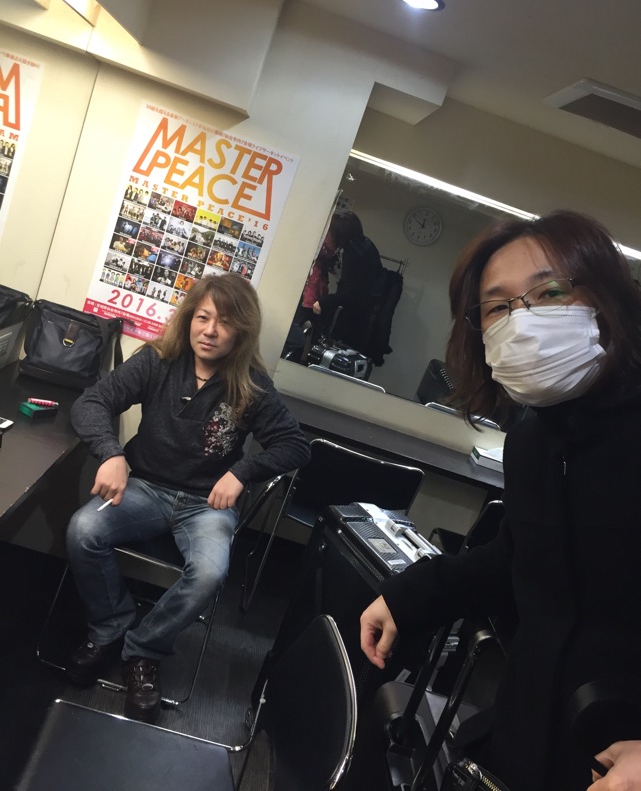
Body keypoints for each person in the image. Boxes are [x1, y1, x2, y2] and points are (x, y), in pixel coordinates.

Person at [359, 211, 641, 790]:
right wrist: (411, 596)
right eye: (497, 307)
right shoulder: (533, 441)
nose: (523, 320)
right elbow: (517, 560)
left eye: (550, 292)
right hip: (531, 737)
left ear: (606, 298)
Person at [65, 273, 311, 723]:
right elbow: (91, 403)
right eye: (203, 317)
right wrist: (111, 453)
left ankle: (144, 651)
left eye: (224, 322)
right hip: (144, 488)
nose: (210, 330)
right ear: (189, 318)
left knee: (210, 572)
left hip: (205, 507)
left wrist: (241, 472)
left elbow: (295, 446)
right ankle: (111, 625)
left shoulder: (250, 384)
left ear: (241, 331)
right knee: (83, 530)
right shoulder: (158, 360)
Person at [313, 210, 383, 350]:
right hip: (364, 315)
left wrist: (324, 301)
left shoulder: (352, 254)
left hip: (350, 319)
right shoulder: (367, 245)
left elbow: (351, 294)